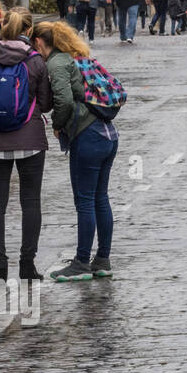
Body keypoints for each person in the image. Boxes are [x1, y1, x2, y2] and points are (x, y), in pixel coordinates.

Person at [30, 21, 119, 282]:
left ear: (38, 42)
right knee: (100, 198)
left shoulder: (57, 63)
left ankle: (81, 263)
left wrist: (58, 125)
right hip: (107, 134)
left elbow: (64, 100)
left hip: (87, 137)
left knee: (85, 201)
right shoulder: (77, 58)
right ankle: (102, 259)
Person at [0, 7, 53, 281]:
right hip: (30, 138)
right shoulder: (36, 61)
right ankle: (27, 265)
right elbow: (44, 103)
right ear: (29, 30)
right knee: (30, 202)